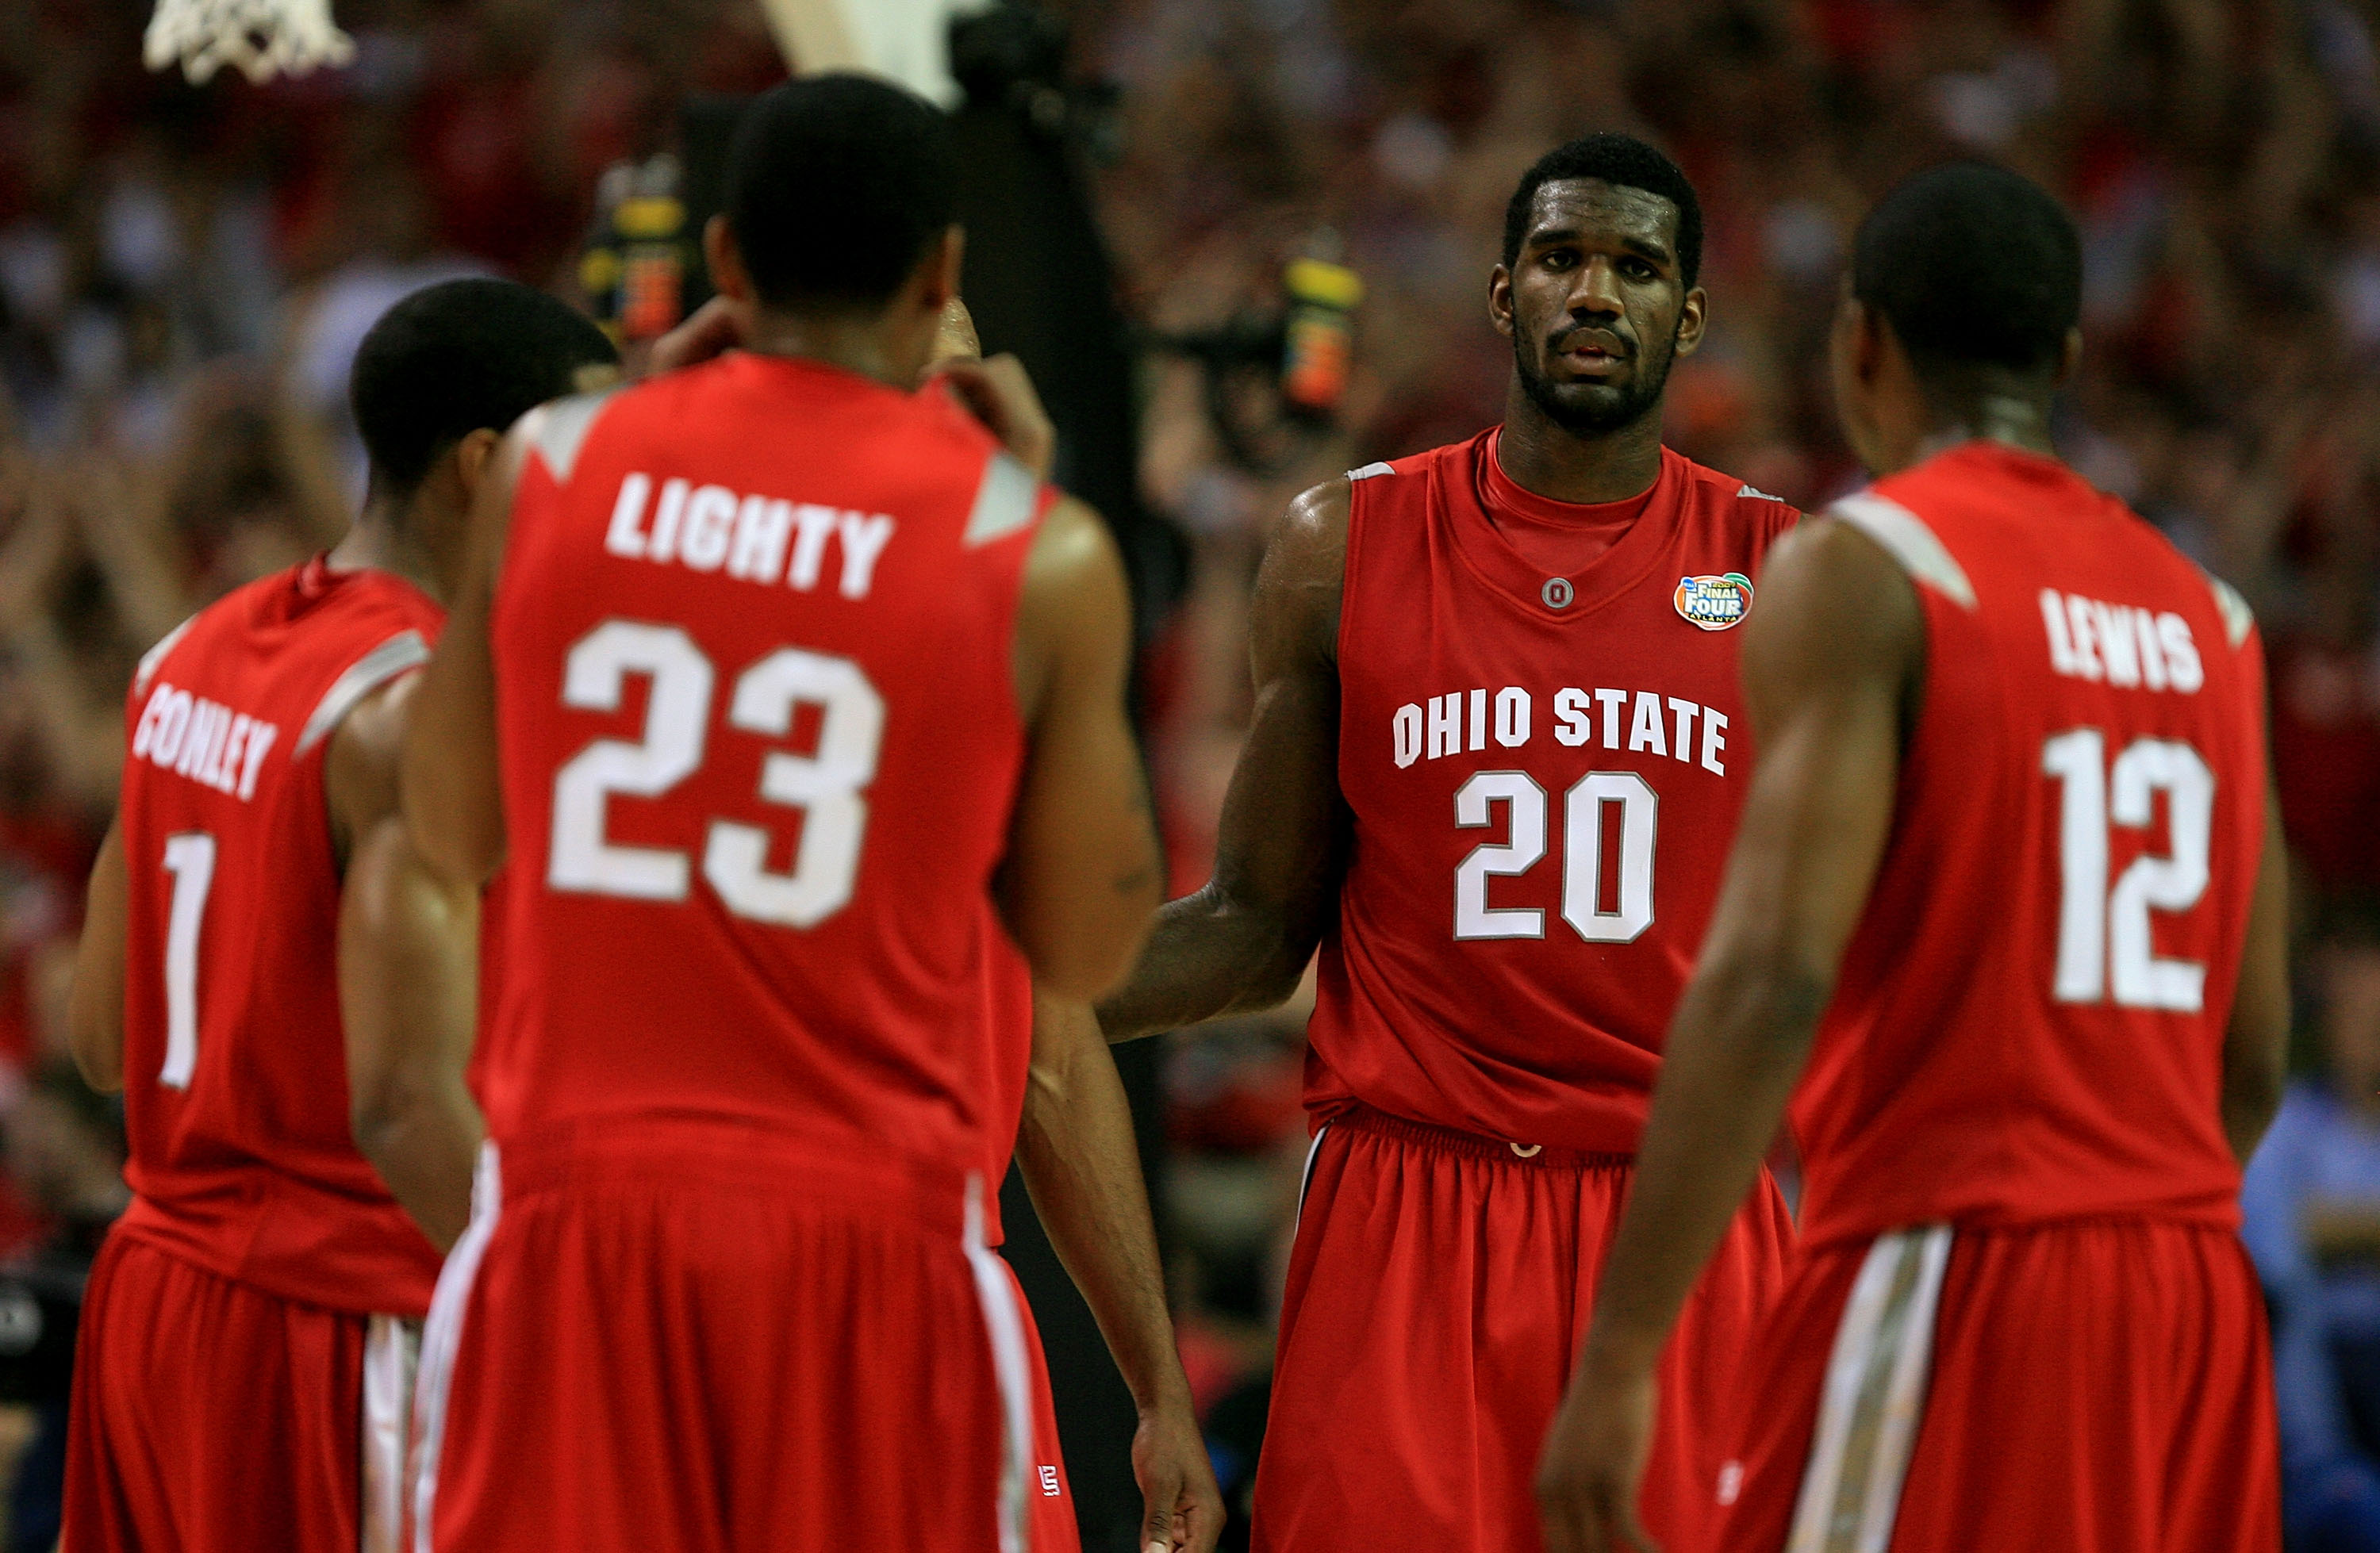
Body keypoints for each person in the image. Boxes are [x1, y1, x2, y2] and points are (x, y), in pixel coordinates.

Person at [395, 75, 1189, 1553]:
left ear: (724, 265)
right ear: (942, 278)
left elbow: (448, 823)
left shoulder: (556, 471)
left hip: (583, 1221)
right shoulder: (1031, 544)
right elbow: (1083, 943)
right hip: (869, 1238)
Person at [1049, 131, 1800, 1551]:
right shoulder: (1344, 545)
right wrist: (1031, 989)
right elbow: (1261, 923)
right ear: (1501, 288)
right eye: (1563, 258)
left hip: (1674, 1213)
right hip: (1409, 1203)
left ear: (1686, 318)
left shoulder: (1790, 573)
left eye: (1637, 266)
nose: (1596, 293)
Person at [1536, 161, 2289, 1553]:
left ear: (1859, 344)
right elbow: (2250, 1062)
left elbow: (1765, 979)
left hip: (1956, 1251)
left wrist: (1624, 1351)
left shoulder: (1870, 564)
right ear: (2063, 359)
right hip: (2189, 1292)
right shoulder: (2217, 621)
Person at [58, 277, 620, 1552]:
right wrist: (567, 1319)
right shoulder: (421, 710)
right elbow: (411, 1105)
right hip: (340, 1314)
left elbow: (105, 1038)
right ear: (483, 466)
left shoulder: (186, 652)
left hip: (156, 1302)